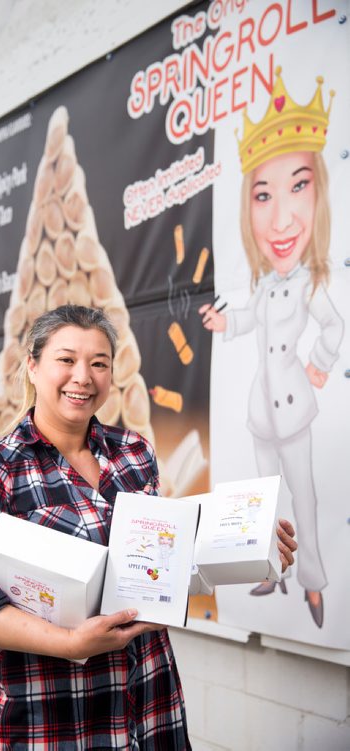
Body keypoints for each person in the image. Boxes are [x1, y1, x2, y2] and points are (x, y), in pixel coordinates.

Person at [0, 304, 297, 750]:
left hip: (151, 698)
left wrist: (254, 546)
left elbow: (164, 564)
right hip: (58, 716)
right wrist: (71, 642)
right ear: (32, 366)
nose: (83, 376)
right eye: (66, 360)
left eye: (99, 363)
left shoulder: (134, 452)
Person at [199, 68, 344, 629]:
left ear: (320, 194)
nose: (281, 216)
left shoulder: (310, 281)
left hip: (295, 407)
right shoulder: (263, 285)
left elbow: (334, 329)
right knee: (263, 501)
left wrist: (319, 366)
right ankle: (270, 571)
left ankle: (312, 582)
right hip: (262, 409)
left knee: (303, 499)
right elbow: (249, 325)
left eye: (298, 186)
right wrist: (222, 322)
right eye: (264, 194)